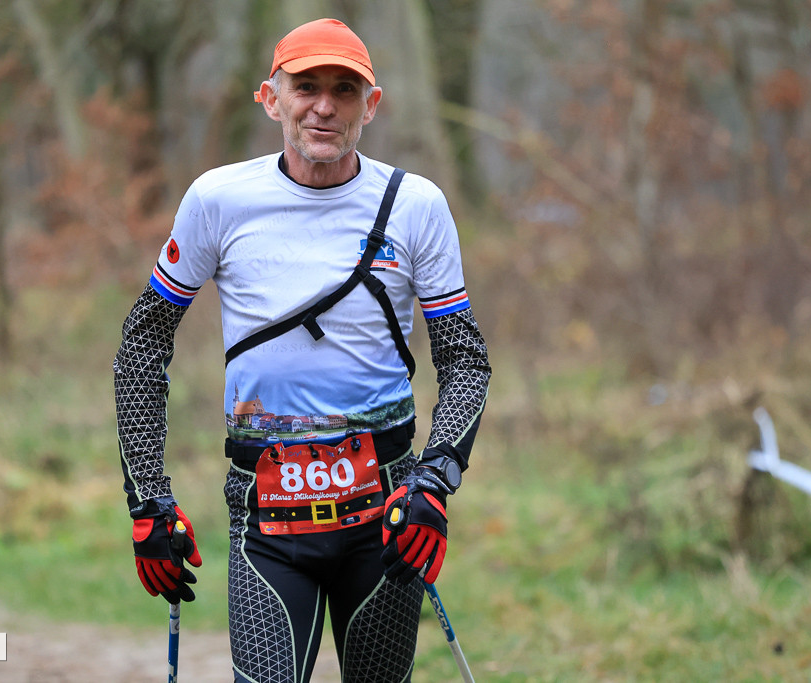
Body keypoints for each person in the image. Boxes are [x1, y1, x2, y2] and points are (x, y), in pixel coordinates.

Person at [114, 17, 491, 683]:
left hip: (386, 510)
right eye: (306, 86)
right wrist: (149, 501)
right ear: (271, 97)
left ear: (370, 105)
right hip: (265, 518)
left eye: (344, 90)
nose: (324, 105)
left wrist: (434, 481)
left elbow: (465, 358)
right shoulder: (219, 199)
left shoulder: (416, 207)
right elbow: (143, 342)